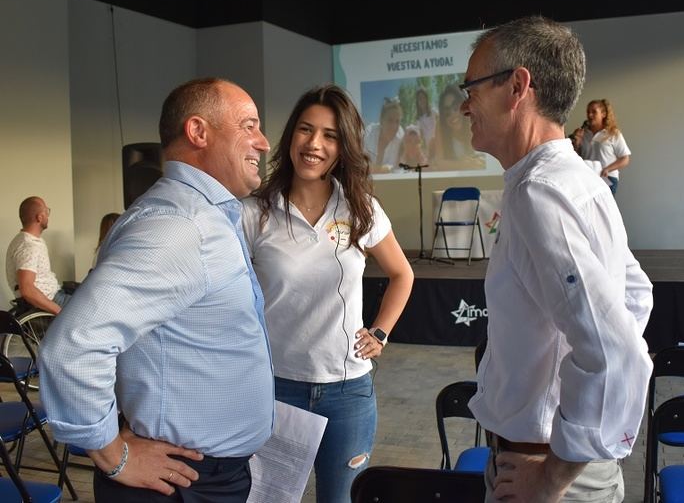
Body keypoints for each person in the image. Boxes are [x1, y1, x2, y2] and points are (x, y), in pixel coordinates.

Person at [39, 77, 275, 503]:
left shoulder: (198, 216)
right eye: (249, 125)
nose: (263, 142)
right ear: (198, 131)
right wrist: (113, 455)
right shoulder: (181, 227)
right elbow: (73, 346)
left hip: (198, 475)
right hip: (181, 483)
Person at [460, 16, 653, 502]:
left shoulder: (538, 193)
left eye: (472, 87)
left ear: (517, 86)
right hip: (562, 462)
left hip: (541, 469)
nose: (465, 105)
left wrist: (552, 477)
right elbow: (635, 295)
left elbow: (616, 352)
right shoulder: (579, 178)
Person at [241, 84, 413, 503]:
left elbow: (401, 274)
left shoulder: (360, 208)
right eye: (305, 129)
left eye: (330, 135)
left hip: (347, 391)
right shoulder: (254, 212)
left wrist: (381, 333)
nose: (314, 144)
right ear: (290, 137)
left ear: (344, 146)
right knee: (269, 498)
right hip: (277, 387)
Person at [5, 196, 71, 315]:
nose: (48, 215)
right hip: (52, 299)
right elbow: (27, 289)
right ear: (39, 217)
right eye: (46, 211)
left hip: (54, 292)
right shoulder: (28, 246)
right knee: (93, 308)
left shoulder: (27, 240)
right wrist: (59, 311)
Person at [573, 99, 631, 195]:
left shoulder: (613, 133)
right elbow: (576, 157)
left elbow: (625, 159)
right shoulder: (583, 133)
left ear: (603, 114)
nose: (590, 115)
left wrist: (607, 169)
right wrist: (577, 142)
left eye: (594, 112)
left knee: (603, 209)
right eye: (588, 112)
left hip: (607, 178)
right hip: (587, 177)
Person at [430, 84, 479, 169]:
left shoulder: (474, 120)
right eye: (447, 112)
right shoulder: (440, 125)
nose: (452, 114)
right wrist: (464, 165)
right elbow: (439, 162)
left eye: (456, 107)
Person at [363, 97, 404, 172]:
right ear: (381, 120)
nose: (394, 126)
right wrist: (382, 169)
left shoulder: (400, 136)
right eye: (390, 120)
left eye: (397, 121)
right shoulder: (369, 133)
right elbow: (360, 164)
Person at [415, 87, 438, 155]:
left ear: (426, 99)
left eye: (423, 97)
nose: (422, 100)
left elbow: (440, 122)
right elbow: (421, 135)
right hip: (428, 148)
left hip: (438, 143)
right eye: (419, 99)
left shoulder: (433, 111)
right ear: (417, 102)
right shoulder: (418, 119)